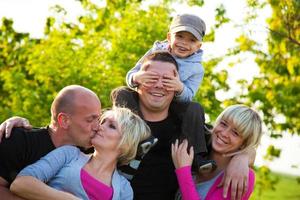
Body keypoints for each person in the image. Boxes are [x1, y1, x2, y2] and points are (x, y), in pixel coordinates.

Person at [111, 51, 255, 200]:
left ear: (177, 86)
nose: (159, 85)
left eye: (167, 80)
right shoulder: (114, 123)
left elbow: (231, 140)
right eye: (151, 78)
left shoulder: (189, 129)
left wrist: (242, 158)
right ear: (138, 80)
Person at [123, 13, 215, 172]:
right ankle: (137, 134)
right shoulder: (155, 52)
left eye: (192, 40)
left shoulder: (196, 68)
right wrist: (138, 77)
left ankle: (198, 157)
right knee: (121, 93)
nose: (184, 43)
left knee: (195, 108)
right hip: (148, 99)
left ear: (199, 45)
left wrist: (179, 87)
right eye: (180, 36)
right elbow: (131, 74)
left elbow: (189, 95)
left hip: (175, 106)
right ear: (169, 36)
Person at [10, 107, 151, 200]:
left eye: (112, 126)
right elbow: (21, 183)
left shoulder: (124, 189)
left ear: (125, 143)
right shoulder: (69, 154)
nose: (99, 127)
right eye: (102, 122)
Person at [0, 85, 102, 200]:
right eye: (90, 120)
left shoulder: (92, 153)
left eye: (98, 119)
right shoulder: (19, 140)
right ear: (64, 120)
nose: (97, 127)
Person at [172, 104, 263, 200]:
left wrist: (183, 170)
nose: (224, 133)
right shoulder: (198, 146)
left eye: (235, 133)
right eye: (223, 124)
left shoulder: (242, 176)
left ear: (244, 144)